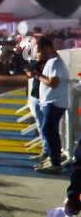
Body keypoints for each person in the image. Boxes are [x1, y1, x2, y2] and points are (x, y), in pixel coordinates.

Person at [35, 36, 70, 173]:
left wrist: (39, 76)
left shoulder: (56, 62)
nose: (38, 54)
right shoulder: (51, 61)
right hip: (50, 102)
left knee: (48, 130)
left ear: (47, 48)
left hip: (55, 102)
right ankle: (53, 159)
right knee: (51, 131)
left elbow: (54, 83)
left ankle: (55, 163)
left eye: (39, 50)